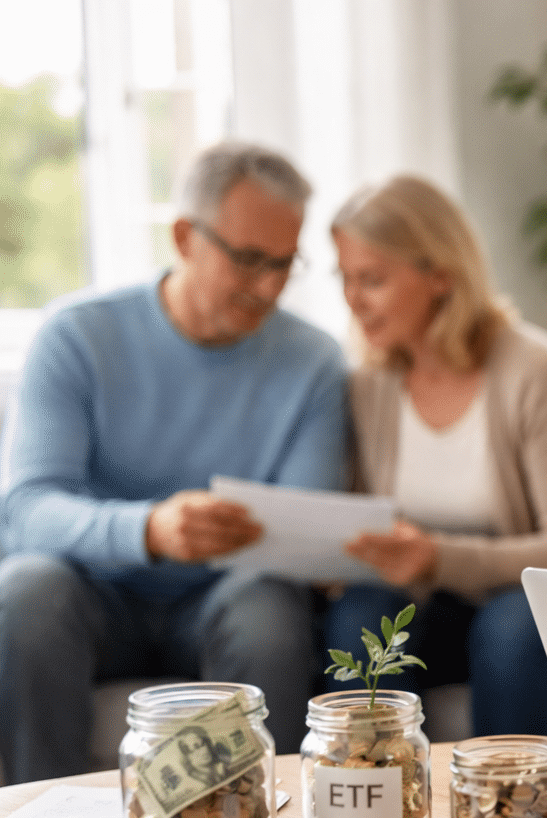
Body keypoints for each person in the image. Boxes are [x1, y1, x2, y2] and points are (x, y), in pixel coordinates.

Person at [0, 141, 348, 784]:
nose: (268, 286)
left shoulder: (315, 363)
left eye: (284, 263)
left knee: (267, 609)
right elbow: (26, 510)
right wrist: (150, 530)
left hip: (226, 596)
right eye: (248, 260)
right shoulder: (76, 336)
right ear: (186, 237)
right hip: (92, 599)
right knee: (25, 591)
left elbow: (308, 532)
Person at [324, 175, 547, 736]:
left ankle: (508, 817)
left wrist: (437, 558)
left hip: (529, 604)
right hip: (430, 611)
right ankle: (371, 812)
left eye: (371, 279)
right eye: (344, 278)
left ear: (441, 275)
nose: (353, 300)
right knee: (361, 617)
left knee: (512, 625)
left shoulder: (533, 371)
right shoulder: (367, 382)